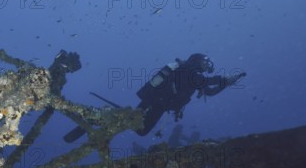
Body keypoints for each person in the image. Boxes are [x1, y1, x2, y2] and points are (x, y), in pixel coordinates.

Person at [63, 53, 246, 142]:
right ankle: (102, 114)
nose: (207, 66)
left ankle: (103, 117)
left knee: (140, 130)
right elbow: (208, 82)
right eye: (205, 62)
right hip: (154, 102)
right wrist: (226, 79)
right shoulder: (188, 71)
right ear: (198, 61)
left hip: (160, 105)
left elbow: (210, 91)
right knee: (138, 127)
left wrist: (228, 83)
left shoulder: (193, 75)